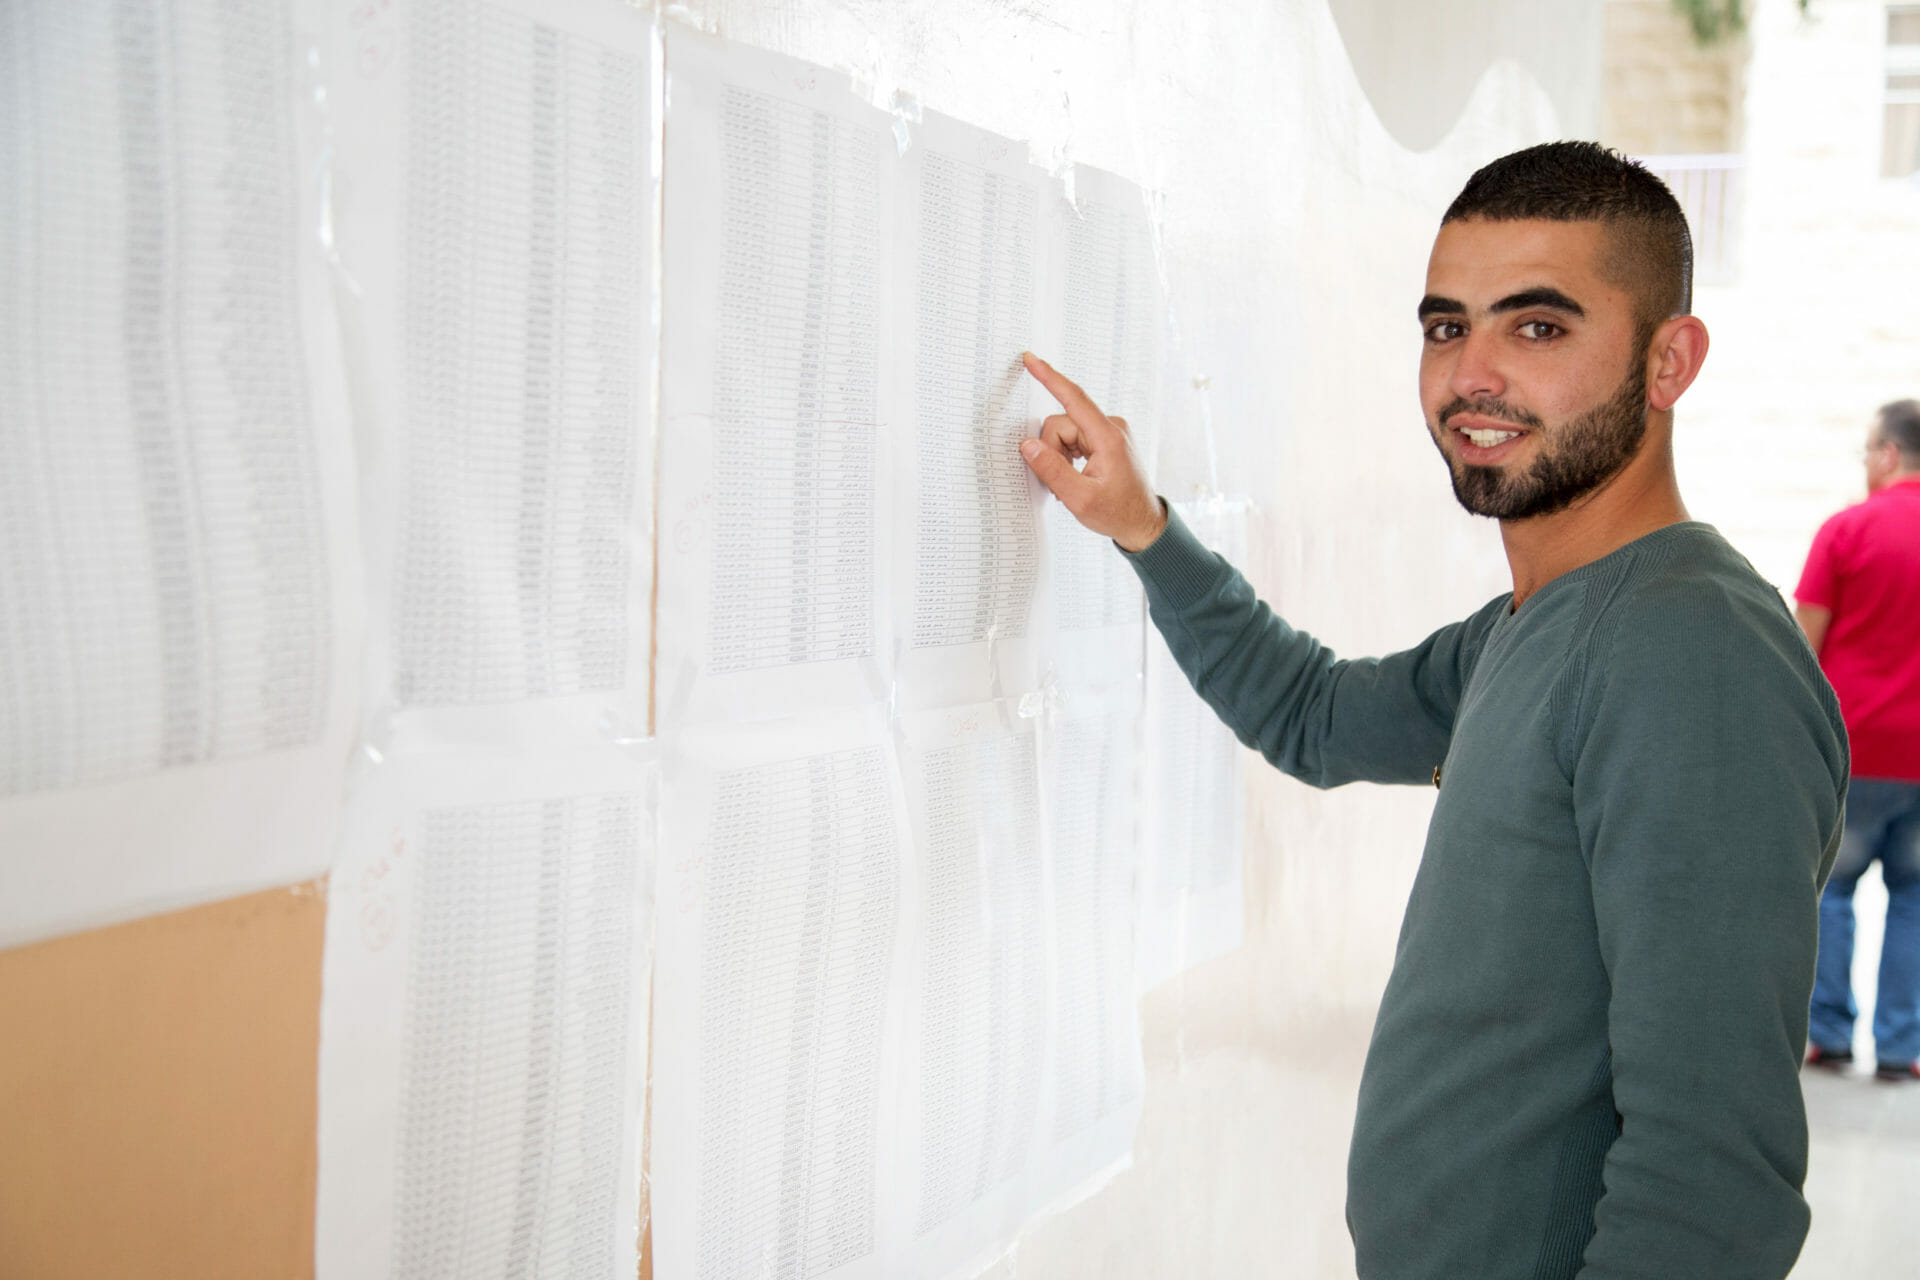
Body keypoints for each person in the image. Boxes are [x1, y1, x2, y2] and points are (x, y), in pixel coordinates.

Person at [1018, 141, 1848, 1279]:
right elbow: (1313, 713)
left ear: (1670, 361)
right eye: (1448, 327)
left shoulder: (1692, 656)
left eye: (1538, 327)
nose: (1473, 375)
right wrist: (1143, 527)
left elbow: (1712, 1183)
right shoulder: (1534, 624)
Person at [1795, 400, 1920, 1081]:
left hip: (1854, 750)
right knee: (1915, 900)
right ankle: (1902, 1050)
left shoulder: (1846, 529)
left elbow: (1801, 647)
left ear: (1888, 454)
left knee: (1831, 891)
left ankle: (1829, 1036)